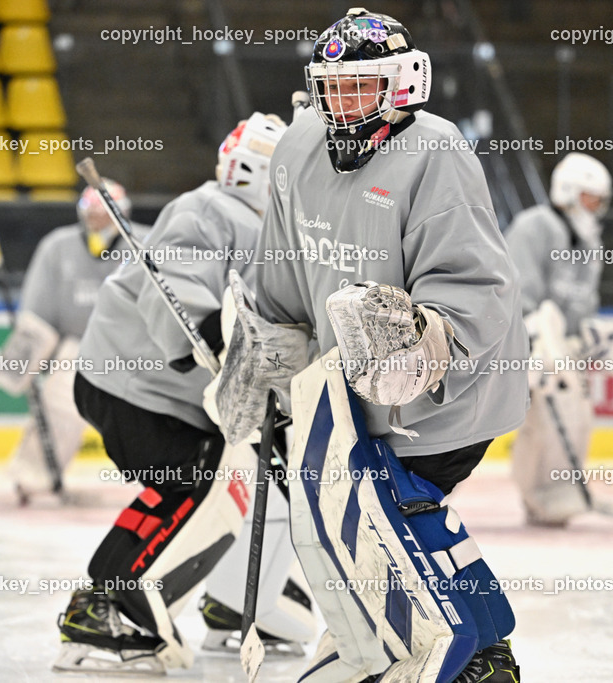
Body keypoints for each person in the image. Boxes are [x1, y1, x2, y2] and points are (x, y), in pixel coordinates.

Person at [216, 9, 526, 683]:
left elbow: (477, 291)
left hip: (452, 392)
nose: (343, 103)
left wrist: (421, 345)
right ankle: (486, 649)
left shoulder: (437, 154)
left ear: (403, 83)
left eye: (360, 86)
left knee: (389, 501)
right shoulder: (298, 149)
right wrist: (269, 355)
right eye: (332, 87)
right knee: (398, 508)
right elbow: (283, 270)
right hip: (350, 394)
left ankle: (459, 650)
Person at [52, 113, 314, 675]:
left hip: (179, 395)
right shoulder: (209, 209)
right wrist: (220, 334)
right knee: (200, 474)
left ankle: (236, 601)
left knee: (275, 477)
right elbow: (174, 288)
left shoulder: (280, 235)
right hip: (132, 385)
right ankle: (107, 607)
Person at [505, 153, 613, 526]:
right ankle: (540, 494)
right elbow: (515, 291)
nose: (597, 207)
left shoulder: (590, 241)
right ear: (569, 192)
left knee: (576, 412)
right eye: (591, 197)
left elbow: (582, 310)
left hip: (558, 349)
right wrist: (537, 335)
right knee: (548, 407)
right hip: (519, 344)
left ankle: (554, 493)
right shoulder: (533, 226)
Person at [0, 182, 135, 504]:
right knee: (59, 405)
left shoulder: (147, 242)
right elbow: (37, 310)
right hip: (79, 346)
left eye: (104, 214)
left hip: (134, 346)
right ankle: (34, 479)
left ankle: (174, 480)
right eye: (92, 214)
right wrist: (24, 360)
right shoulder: (57, 246)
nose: (97, 221)